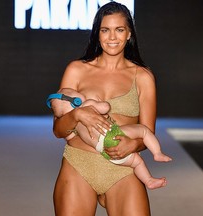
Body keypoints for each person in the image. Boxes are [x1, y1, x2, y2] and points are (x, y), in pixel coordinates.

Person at [51, 2, 165, 215]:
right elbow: (58, 130)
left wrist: (132, 145)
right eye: (105, 30)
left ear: (129, 33)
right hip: (78, 163)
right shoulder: (76, 70)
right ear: (97, 34)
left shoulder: (142, 77)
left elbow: (147, 133)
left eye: (119, 29)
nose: (112, 37)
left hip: (123, 170)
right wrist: (77, 114)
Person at [47, 88, 172, 190]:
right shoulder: (86, 106)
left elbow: (66, 135)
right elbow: (105, 107)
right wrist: (97, 103)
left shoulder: (72, 126)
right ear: (77, 101)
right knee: (143, 130)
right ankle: (157, 153)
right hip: (112, 134)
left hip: (105, 151)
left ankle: (149, 181)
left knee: (136, 162)